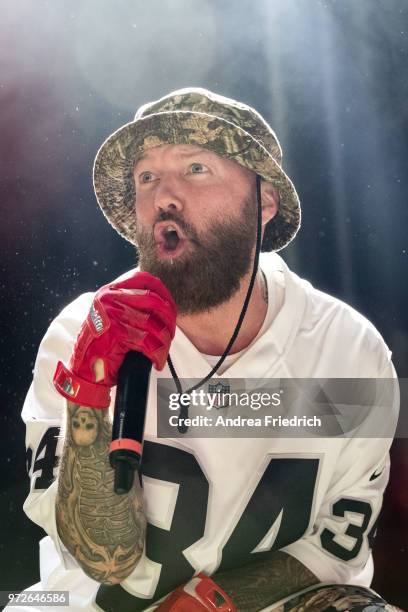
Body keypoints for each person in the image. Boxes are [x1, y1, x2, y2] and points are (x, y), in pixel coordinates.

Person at [15, 88, 401, 612]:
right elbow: (104, 560)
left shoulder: (346, 351)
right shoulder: (80, 332)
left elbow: (334, 545)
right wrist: (89, 387)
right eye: (146, 177)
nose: (164, 197)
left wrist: (213, 601)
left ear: (263, 202)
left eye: (196, 168)